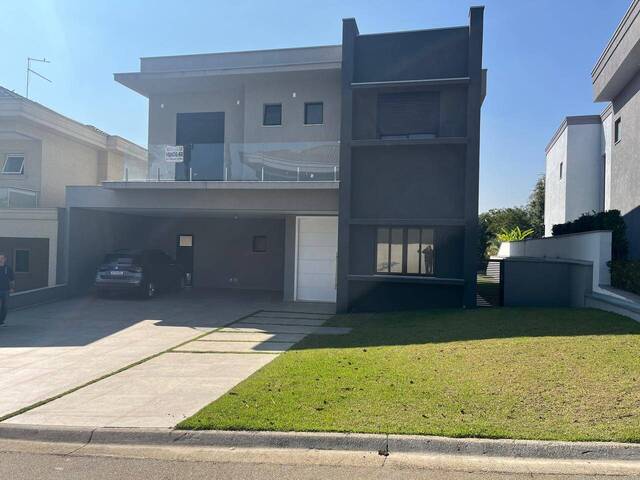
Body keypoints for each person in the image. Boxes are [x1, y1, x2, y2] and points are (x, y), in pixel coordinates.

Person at [0, 253, 15, 326]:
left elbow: (12, 279)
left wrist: (12, 288)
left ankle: (1, 321)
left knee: (5, 306)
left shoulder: (8, 268)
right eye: (0, 258)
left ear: (5, 259)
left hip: (6, 290)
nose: (0, 259)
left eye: (2, 258)